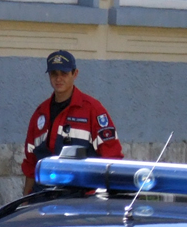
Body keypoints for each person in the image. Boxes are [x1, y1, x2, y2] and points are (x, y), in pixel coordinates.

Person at [21, 50, 123, 194]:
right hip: (43, 198)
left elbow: (112, 158)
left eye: (64, 73)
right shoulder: (40, 113)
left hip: (81, 201)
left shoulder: (92, 110)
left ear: (75, 74)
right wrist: (25, 200)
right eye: (54, 74)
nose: (58, 79)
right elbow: (31, 162)